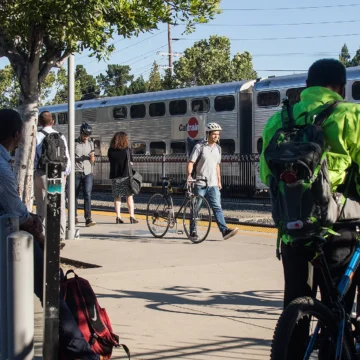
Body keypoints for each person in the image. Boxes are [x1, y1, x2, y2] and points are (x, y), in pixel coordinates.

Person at [260, 59, 360, 355]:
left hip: (292, 229)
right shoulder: (350, 114)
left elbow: (266, 175)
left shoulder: (278, 120)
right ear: (340, 87)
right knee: (337, 308)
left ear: (307, 86)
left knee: (295, 303)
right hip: (338, 227)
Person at [0, 109, 102, 360]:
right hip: (16, 233)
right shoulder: (3, 164)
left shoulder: (22, 153)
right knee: (50, 282)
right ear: (16, 135)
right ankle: (78, 349)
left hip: (40, 182)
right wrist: (38, 230)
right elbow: (18, 213)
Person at [187, 122, 239, 240]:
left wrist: (219, 181)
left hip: (213, 184)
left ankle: (224, 231)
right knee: (196, 208)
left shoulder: (218, 149)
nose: (216, 136)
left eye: (218, 134)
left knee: (217, 207)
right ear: (208, 134)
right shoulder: (199, 147)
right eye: (214, 134)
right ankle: (193, 231)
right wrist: (189, 176)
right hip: (200, 183)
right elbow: (191, 162)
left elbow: (217, 166)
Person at [34, 111, 71, 244]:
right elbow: (67, 159)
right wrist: (65, 174)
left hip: (41, 174)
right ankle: (59, 235)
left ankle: (43, 235)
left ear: (39, 122)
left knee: (41, 205)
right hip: (56, 174)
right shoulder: (60, 136)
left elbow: (33, 158)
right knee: (58, 205)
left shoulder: (37, 136)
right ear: (53, 122)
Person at [107, 132, 138, 224]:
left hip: (115, 176)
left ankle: (118, 217)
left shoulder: (110, 150)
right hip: (126, 176)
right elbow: (131, 163)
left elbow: (110, 160)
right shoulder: (127, 150)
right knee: (129, 197)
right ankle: (132, 216)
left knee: (117, 197)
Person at [75, 123, 96, 227]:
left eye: (88, 136)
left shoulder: (91, 144)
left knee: (87, 195)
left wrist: (92, 157)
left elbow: (92, 161)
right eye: (85, 135)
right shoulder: (74, 143)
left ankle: (88, 218)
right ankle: (73, 216)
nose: (86, 137)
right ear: (81, 133)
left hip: (87, 172)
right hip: (76, 172)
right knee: (74, 195)